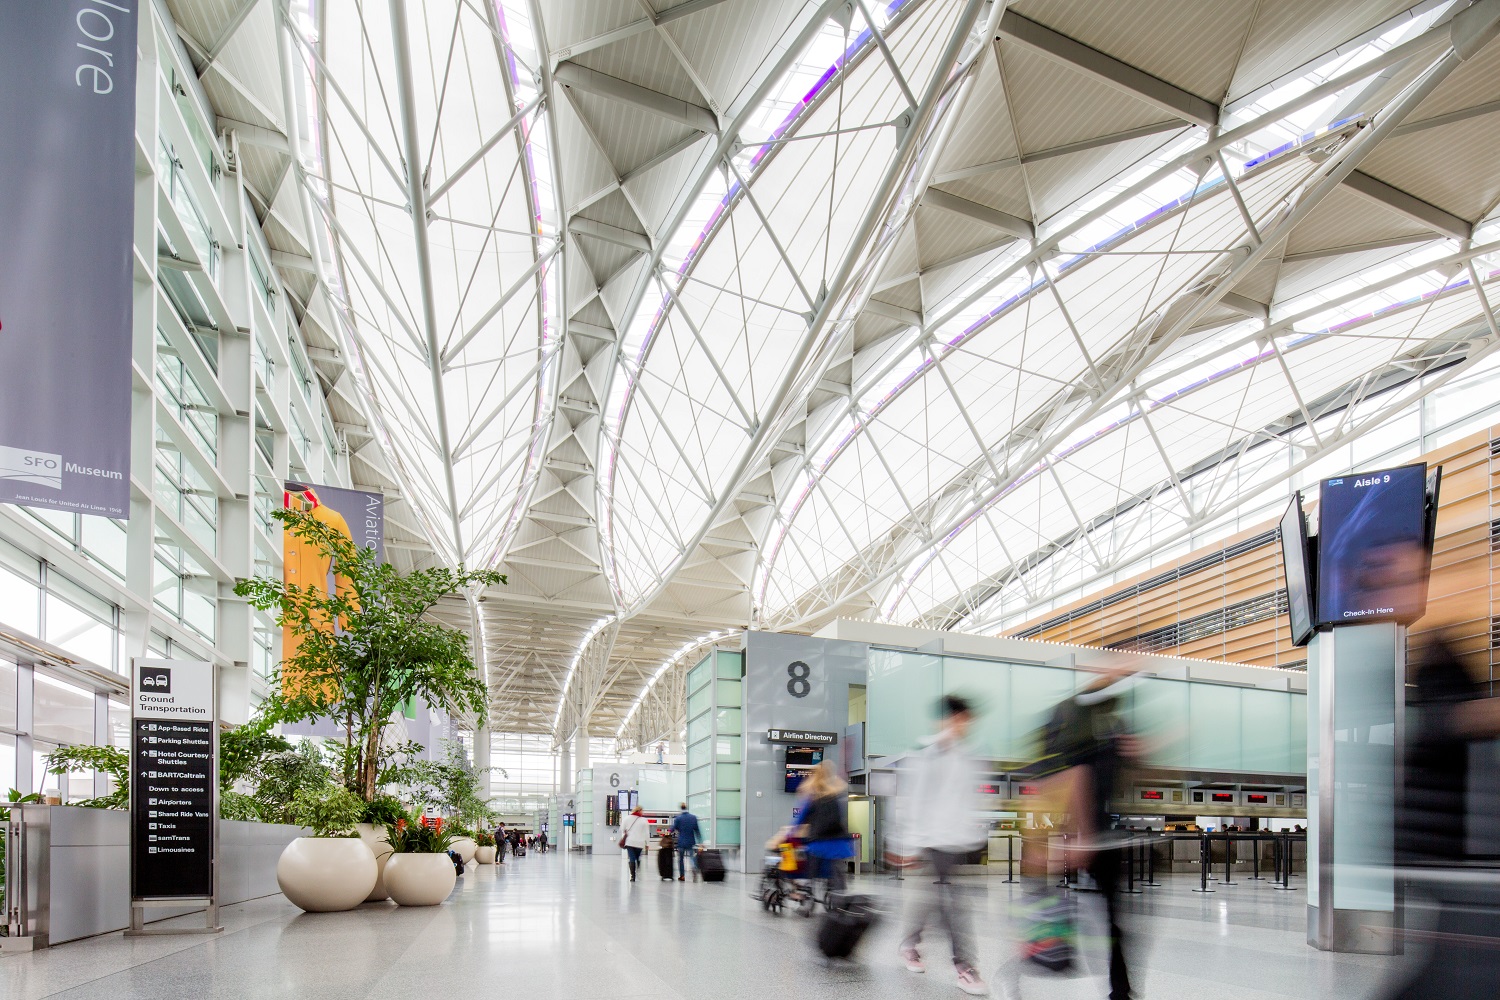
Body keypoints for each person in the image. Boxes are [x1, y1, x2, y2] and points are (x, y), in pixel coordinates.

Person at [1378, 633, 1500, 999]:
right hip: (1463, 863)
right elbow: (1459, 720)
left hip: (1449, 860)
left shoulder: (1430, 718)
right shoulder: (1448, 712)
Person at [1008, 667, 1141, 1000]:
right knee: (1049, 917)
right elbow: (1067, 775)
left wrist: (1137, 753)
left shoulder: (1114, 721)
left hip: (1098, 834)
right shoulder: (1074, 712)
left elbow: (1111, 778)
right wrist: (1076, 834)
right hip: (1077, 831)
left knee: (1113, 923)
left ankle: (1120, 992)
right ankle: (1020, 975)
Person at [893, 694, 989, 996]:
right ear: (947, 719)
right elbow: (912, 801)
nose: (964, 725)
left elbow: (973, 800)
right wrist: (906, 845)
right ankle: (965, 967)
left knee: (931, 899)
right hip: (929, 841)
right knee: (952, 904)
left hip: (957, 842)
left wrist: (976, 836)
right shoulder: (925, 753)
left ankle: (909, 943)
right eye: (959, 719)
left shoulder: (969, 756)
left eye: (967, 720)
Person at [793, 762, 855, 893]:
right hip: (840, 844)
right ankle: (841, 897)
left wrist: (791, 833)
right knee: (838, 875)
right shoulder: (836, 795)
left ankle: (807, 898)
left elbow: (799, 820)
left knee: (810, 871)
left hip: (818, 844)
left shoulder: (811, 796)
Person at [670, 802, 702, 881]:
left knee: (681, 859)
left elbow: (672, 829)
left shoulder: (678, 818)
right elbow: (697, 831)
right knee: (692, 857)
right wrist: (701, 842)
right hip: (691, 842)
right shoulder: (693, 817)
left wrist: (669, 831)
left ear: (681, 809)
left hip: (681, 842)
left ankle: (682, 876)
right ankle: (694, 868)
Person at [620, 805, 650, 882]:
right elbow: (647, 833)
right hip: (640, 843)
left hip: (630, 842)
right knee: (637, 858)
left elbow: (622, 829)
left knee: (632, 858)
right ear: (639, 810)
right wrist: (647, 843)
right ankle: (638, 869)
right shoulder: (643, 820)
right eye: (642, 811)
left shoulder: (627, 818)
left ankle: (633, 876)